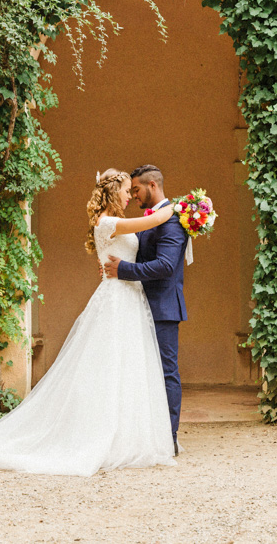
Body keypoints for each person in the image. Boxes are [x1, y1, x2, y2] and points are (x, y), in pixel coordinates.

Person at [0, 169, 177, 476]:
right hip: (117, 298)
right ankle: (102, 435)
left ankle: (128, 435)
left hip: (130, 297)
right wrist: (186, 207)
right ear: (112, 193)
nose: (128, 196)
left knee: (128, 367)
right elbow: (153, 221)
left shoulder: (115, 222)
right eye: (124, 190)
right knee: (109, 366)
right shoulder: (108, 222)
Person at [102, 164, 188, 456]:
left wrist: (123, 269)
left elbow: (165, 266)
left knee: (165, 373)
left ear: (152, 185)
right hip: (136, 306)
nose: (134, 196)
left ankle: (169, 438)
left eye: (136, 189)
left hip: (163, 307)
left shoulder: (173, 221)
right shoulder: (148, 218)